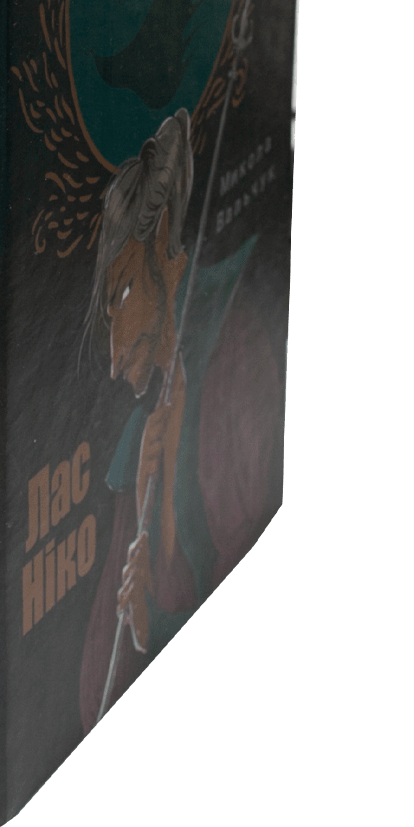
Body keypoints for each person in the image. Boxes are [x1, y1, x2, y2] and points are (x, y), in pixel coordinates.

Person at [77, 108, 279, 731]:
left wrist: (157, 620)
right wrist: (140, 623)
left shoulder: (234, 346)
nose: (116, 361)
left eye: (125, 295)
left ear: (165, 248)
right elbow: (100, 691)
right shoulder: (142, 442)